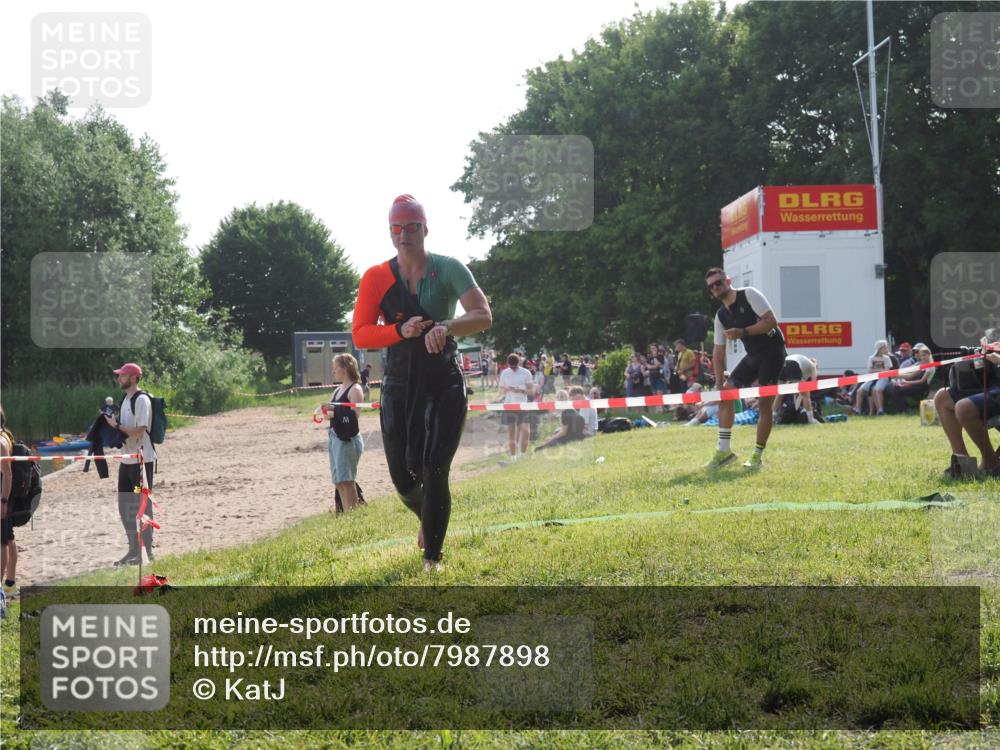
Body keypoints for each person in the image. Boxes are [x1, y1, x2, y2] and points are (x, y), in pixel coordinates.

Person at [352, 194, 492, 572]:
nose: (403, 235)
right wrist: (399, 329)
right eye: (396, 229)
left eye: (410, 227)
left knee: (434, 467)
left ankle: (433, 557)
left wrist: (447, 326)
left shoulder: (448, 268)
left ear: (425, 229)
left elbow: (482, 315)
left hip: (443, 377)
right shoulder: (377, 277)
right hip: (399, 382)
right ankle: (426, 519)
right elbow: (361, 334)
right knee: (403, 477)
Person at [704, 267, 786, 469]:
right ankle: (724, 451)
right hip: (753, 355)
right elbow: (718, 352)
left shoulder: (749, 294)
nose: (715, 287)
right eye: (711, 286)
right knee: (727, 393)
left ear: (728, 280)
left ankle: (757, 456)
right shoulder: (720, 316)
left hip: (773, 352)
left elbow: (772, 323)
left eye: (718, 282)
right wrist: (717, 384)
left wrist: (743, 331)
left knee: (764, 405)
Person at [104, 362, 156, 566]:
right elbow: (125, 430)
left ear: (133, 377)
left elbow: (139, 431)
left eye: (122, 375)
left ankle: (147, 552)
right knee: (124, 506)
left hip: (142, 461)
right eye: (119, 375)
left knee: (142, 506)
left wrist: (116, 425)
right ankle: (133, 550)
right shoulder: (125, 399)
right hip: (127, 460)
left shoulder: (142, 400)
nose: (119, 378)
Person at [328, 353, 365, 513]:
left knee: (347, 479)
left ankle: (353, 515)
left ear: (345, 368)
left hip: (347, 439)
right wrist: (326, 411)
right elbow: (331, 414)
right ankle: (345, 513)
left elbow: (353, 417)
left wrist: (335, 412)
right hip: (334, 436)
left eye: (335, 367)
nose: (333, 371)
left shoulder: (355, 389)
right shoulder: (337, 390)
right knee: (338, 480)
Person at [499, 353, 535, 461]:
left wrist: (521, 390)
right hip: (509, 404)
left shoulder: (526, 372)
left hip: (522, 405)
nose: (513, 368)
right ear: (508, 364)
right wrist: (507, 389)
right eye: (511, 366)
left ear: (518, 362)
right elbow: (500, 389)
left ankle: (523, 455)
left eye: (515, 366)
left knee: (526, 430)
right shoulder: (505, 373)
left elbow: (531, 391)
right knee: (512, 432)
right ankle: (513, 457)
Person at [885, 343, 934, 412]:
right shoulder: (919, 364)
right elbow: (909, 375)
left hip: (920, 387)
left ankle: (904, 409)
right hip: (914, 384)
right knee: (890, 387)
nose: (916, 354)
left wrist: (904, 381)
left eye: (917, 352)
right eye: (915, 352)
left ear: (927, 354)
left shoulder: (928, 366)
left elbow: (920, 381)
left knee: (895, 390)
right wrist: (897, 375)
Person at [775, 354, 820, 424]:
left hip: (782, 364)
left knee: (779, 394)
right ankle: (811, 419)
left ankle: (772, 417)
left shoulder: (803, 365)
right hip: (792, 363)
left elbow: (799, 384)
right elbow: (813, 384)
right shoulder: (813, 366)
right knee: (806, 393)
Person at [1, 407, 17, 598]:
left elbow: (7, 473)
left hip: (4, 496)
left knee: (2, 541)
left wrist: (3, 501)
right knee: (9, 537)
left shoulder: (1, 441)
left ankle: (1, 590)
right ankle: (11, 583)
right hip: (6, 495)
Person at [854, 340, 894, 416]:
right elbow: (869, 370)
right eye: (885, 347)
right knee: (859, 391)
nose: (886, 349)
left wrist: (876, 370)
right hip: (872, 378)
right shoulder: (871, 358)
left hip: (884, 378)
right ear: (880, 349)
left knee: (878, 389)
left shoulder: (887, 358)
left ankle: (880, 410)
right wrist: (880, 371)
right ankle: (857, 410)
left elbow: (887, 371)